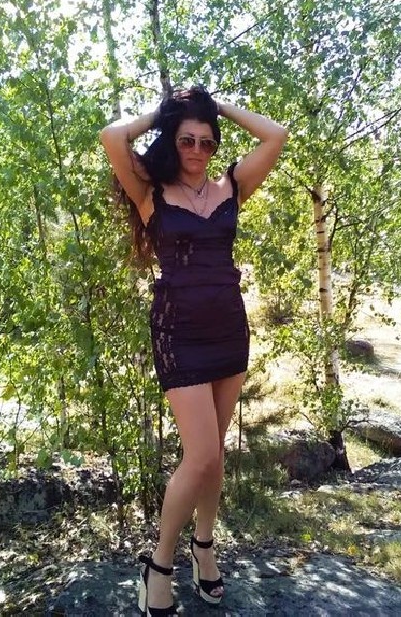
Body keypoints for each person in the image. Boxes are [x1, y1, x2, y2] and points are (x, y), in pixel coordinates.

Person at [100, 85, 288, 616]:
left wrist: (217, 106)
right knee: (200, 454)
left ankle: (203, 546)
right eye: (188, 140)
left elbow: (276, 135)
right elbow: (112, 136)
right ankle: (159, 564)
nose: (198, 151)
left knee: (215, 453)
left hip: (228, 327)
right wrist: (168, 111)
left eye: (207, 142)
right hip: (178, 331)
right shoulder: (150, 190)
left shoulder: (231, 186)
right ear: (173, 140)